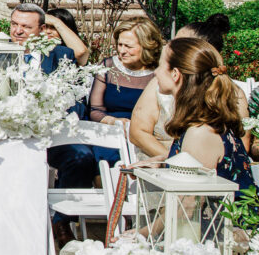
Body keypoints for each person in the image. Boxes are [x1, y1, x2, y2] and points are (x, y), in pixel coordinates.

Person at [11, 2, 92, 248]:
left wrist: (57, 23)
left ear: (41, 29)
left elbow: (82, 53)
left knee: (82, 156)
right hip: (12, 136)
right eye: (14, 24)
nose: (18, 31)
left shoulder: (60, 55)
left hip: (52, 135)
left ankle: (62, 221)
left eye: (26, 26)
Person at [153, 37, 252, 195]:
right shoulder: (206, 124)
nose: (155, 71)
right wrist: (161, 163)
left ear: (175, 74)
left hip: (229, 220)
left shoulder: (200, 133)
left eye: (160, 65)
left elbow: (188, 207)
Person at [88, 18, 163, 165]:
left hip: (147, 133)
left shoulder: (159, 73)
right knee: (105, 158)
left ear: (146, 46)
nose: (122, 51)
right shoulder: (108, 67)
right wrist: (114, 121)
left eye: (128, 46)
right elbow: (95, 110)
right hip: (111, 131)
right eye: (120, 45)